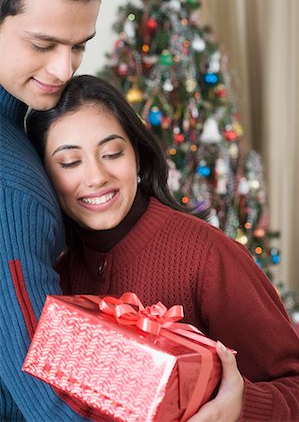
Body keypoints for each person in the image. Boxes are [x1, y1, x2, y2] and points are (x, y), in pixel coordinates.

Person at [27, 75, 299, 422]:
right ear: (45, 176)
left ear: (137, 157)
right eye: (70, 162)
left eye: (112, 153)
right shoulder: (54, 276)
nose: (95, 176)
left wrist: (238, 409)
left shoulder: (206, 254)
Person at [0, 0, 113, 421]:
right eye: (43, 45)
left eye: (79, 45)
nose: (65, 70)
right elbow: (49, 383)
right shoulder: (11, 186)